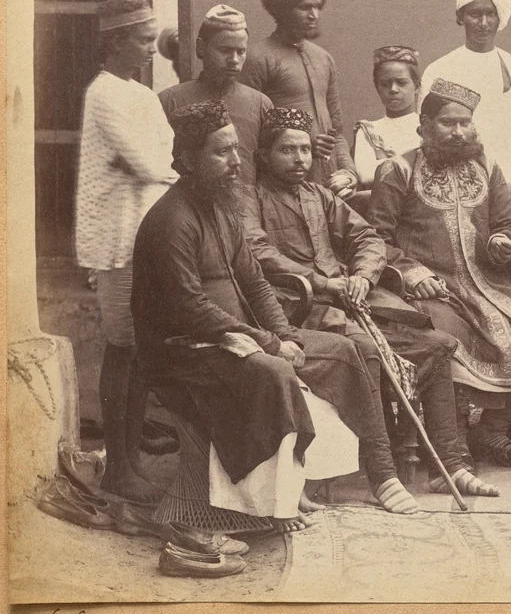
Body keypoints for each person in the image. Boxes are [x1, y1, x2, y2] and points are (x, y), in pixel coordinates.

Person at [133, 101, 411, 529]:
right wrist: (270, 344)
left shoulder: (223, 209)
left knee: (345, 351)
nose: (235, 163)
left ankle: (383, 475)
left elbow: (256, 283)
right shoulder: (172, 219)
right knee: (273, 373)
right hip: (185, 351)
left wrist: (286, 334)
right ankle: (271, 505)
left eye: (236, 151)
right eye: (220, 153)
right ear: (187, 160)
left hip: (237, 339)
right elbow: (189, 308)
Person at [243, 107, 498, 499]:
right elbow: (258, 251)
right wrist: (323, 283)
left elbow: (368, 238)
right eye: (287, 151)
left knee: (437, 345)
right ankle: (383, 474)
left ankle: (449, 463)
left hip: (351, 302)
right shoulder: (251, 198)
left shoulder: (320, 195)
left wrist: (362, 275)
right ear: (264, 156)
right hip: (298, 307)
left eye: (306, 151)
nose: (299, 160)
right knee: (364, 351)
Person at [369, 78, 511, 470]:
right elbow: (375, 238)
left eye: (465, 123)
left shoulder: (486, 167)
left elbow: (509, 223)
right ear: (423, 125)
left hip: (488, 280)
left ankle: (492, 428)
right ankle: (451, 438)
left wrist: (503, 242)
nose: (459, 132)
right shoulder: (397, 170)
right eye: (447, 123)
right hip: (430, 286)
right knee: (449, 332)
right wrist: (410, 271)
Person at [75, 0, 175, 503]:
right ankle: (118, 468)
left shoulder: (145, 96)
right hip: (118, 238)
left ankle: (130, 462)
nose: (151, 48)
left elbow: (165, 151)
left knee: (141, 352)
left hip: (149, 233)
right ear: (114, 42)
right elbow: (146, 161)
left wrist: (156, 164)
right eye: (141, 39)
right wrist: (156, 166)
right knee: (124, 348)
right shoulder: (105, 94)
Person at [242, 0, 358, 198]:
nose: (314, 14)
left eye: (317, 6)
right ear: (283, 7)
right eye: (305, 7)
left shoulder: (323, 59)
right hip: (281, 193)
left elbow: (336, 131)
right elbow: (249, 139)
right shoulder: (258, 59)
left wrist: (348, 172)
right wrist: (301, 149)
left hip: (331, 191)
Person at [421, 0, 511, 187]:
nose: (483, 23)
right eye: (475, 14)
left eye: (490, 14)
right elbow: (426, 136)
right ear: (460, 16)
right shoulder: (438, 70)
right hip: (456, 182)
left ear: (499, 17)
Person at [160, 4, 274, 187]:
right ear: (201, 47)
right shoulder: (169, 101)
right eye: (225, 50)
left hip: (246, 210)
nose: (234, 60)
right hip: (192, 209)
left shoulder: (261, 104)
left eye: (241, 51)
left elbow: (268, 170)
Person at [353, 45, 423, 190]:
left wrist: (386, 163)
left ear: (417, 87)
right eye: (385, 84)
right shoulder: (368, 130)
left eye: (401, 83)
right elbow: (366, 175)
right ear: (377, 88)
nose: (393, 89)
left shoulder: (429, 128)